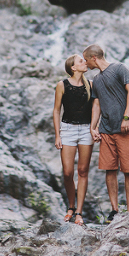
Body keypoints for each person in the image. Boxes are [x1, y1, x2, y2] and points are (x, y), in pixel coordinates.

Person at [83, 44, 129, 224]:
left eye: (86, 60)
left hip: (126, 128)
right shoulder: (96, 80)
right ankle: (115, 209)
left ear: (94, 58)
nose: (85, 64)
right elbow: (97, 105)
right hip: (106, 130)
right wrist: (93, 127)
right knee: (110, 169)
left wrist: (126, 117)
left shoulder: (119, 69)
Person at [53, 53, 94, 226]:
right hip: (67, 129)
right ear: (73, 67)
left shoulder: (90, 85)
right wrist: (57, 134)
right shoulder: (62, 85)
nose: (85, 63)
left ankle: (78, 212)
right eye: (81, 61)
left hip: (86, 130)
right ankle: (70, 205)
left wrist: (94, 127)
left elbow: (95, 108)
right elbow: (56, 110)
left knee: (83, 172)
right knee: (68, 172)